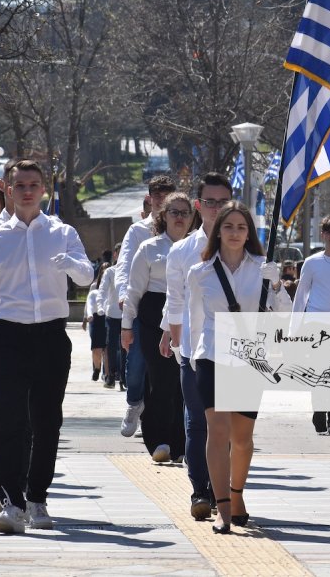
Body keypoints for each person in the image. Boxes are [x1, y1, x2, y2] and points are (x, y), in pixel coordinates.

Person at [0, 160, 94, 533]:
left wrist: (71, 264)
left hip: (50, 336)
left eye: (35, 185)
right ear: (6, 188)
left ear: (44, 189)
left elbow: (87, 274)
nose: (28, 191)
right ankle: (11, 502)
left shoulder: (62, 232)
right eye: (21, 185)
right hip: (6, 336)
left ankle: (37, 497)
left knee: (47, 421)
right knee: (7, 422)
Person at [186, 201, 292, 534]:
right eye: (228, 226)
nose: (234, 233)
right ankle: (223, 508)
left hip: (249, 356)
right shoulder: (200, 271)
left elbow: (287, 316)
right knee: (216, 431)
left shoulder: (263, 267)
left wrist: (278, 286)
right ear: (218, 232)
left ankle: (237, 493)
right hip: (212, 355)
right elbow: (194, 316)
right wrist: (189, 354)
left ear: (250, 233)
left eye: (241, 227)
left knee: (242, 438)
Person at [162, 172, 233, 521]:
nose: (216, 209)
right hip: (193, 349)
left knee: (231, 426)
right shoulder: (181, 251)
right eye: (210, 202)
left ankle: (228, 492)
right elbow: (174, 302)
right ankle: (200, 491)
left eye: (223, 202)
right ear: (198, 206)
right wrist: (172, 337)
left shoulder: (245, 246)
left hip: (237, 349)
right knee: (198, 423)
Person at [121, 192, 193, 463]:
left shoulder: (198, 248)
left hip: (186, 316)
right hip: (153, 317)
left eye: (184, 212)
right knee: (162, 380)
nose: (179, 217)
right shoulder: (149, 248)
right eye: (174, 212)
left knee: (184, 383)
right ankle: (158, 439)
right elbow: (133, 290)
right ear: (163, 215)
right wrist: (126, 326)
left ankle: (181, 443)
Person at [113, 176, 177, 434]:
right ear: (150, 198)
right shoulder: (138, 230)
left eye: (166, 195)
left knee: (169, 368)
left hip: (174, 305)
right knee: (137, 364)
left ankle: (166, 423)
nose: (161, 200)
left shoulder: (184, 227)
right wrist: (122, 294)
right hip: (143, 305)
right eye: (157, 196)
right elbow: (124, 265)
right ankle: (134, 402)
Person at [291, 216, 330, 436]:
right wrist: (294, 327)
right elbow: (301, 295)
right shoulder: (312, 262)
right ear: (323, 234)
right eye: (329, 231)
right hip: (317, 324)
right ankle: (319, 410)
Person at [99, 245, 125, 392]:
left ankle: (123, 376)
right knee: (111, 345)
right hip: (112, 315)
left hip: (126, 314)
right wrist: (100, 306)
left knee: (125, 347)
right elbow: (102, 290)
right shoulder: (110, 272)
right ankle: (110, 374)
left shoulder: (131, 271)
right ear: (115, 255)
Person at [84, 264, 108, 381]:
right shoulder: (94, 288)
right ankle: (97, 368)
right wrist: (86, 317)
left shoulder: (112, 287)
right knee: (96, 348)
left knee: (107, 349)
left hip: (108, 318)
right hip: (95, 319)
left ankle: (108, 374)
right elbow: (89, 303)